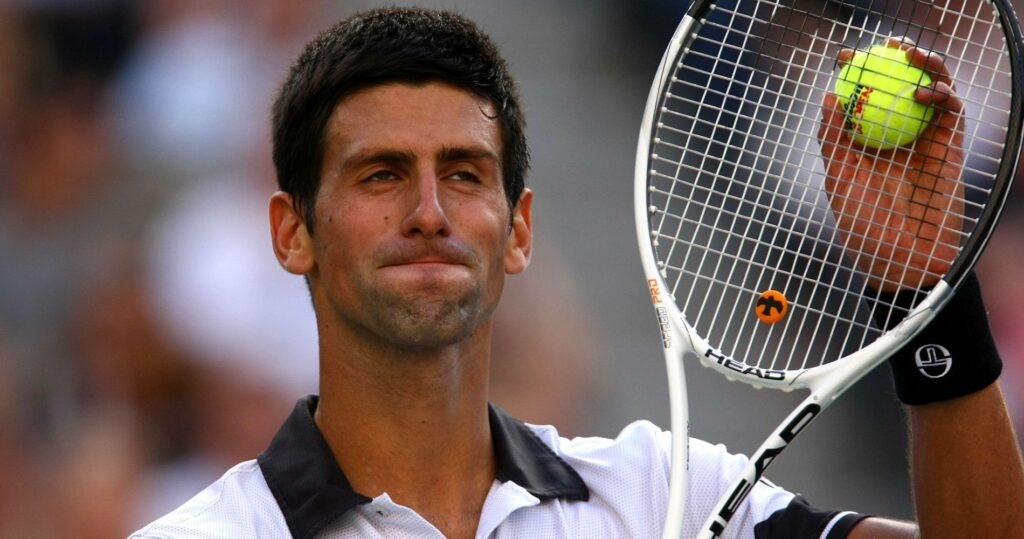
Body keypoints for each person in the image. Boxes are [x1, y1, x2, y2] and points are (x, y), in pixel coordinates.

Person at [131, 7, 1024, 538]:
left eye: (466, 173)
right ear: (293, 233)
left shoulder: (659, 495)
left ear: (518, 232)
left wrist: (922, 293)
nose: (430, 210)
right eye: (381, 173)